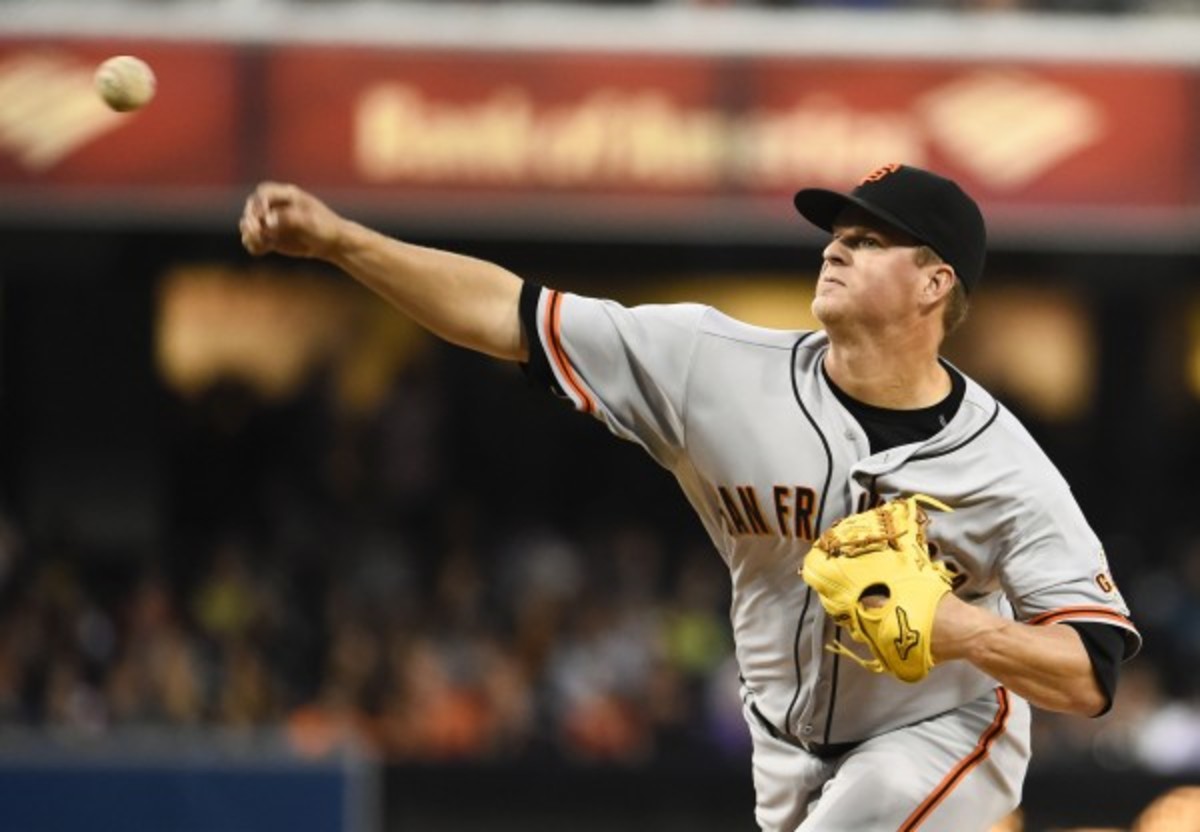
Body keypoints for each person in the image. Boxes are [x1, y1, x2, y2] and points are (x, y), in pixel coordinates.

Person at [239, 162, 1140, 831]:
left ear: (936, 284)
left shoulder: (1007, 467)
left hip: (945, 727)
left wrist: (960, 630)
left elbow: (1092, 672)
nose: (835, 247)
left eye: (868, 241)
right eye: (837, 233)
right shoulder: (712, 366)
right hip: (784, 744)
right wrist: (341, 242)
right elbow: (508, 315)